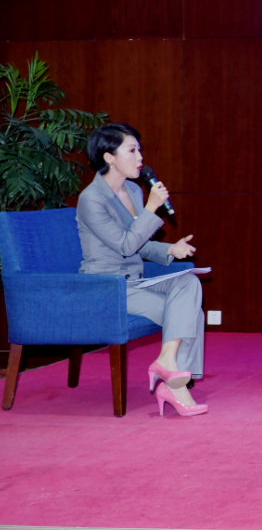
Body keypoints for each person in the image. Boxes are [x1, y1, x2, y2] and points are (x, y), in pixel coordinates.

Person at [75, 124, 206, 417]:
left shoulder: (133, 190)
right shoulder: (91, 199)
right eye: (132, 150)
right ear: (109, 158)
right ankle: (176, 386)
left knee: (188, 283)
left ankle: (168, 363)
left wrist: (170, 250)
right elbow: (125, 245)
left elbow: (139, 244)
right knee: (189, 313)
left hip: (135, 280)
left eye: (139, 150)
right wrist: (151, 209)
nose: (140, 157)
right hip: (107, 284)